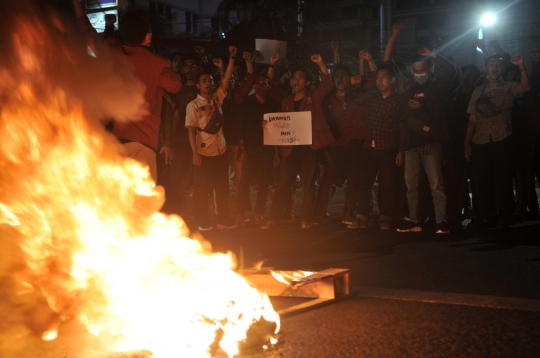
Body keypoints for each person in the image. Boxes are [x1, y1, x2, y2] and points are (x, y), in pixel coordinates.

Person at [73, 0, 182, 182]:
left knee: (115, 196)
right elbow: (176, 85)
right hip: (143, 142)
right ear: (148, 37)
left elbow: (87, 31)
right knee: (142, 199)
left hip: (112, 140)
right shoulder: (155, 65)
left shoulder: (110, 52)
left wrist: (76, 3)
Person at [262, 54, 335, 229]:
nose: (296, 81)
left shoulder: (314, 97)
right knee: (283, 184)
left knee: (308, 184)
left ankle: (306, 219)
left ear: (307, 82)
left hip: (309, 148)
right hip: (291, 149)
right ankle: (273, 218)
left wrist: (320, 63)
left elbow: (328, 85)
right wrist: (271, 65)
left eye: (300, 78)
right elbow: (270, 88)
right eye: (294, 78)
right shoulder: (286, 100)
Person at [464, 54, 531, 229]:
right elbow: (472, 120)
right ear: (485, 69)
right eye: (491, 65)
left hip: (503, 139)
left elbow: (525, 87)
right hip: (480, 141)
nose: (494, 67)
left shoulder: (509, 87)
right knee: (483, 181)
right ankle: (487, 216)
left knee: (504, 180)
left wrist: (521, 66)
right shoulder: (478, 91)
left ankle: (505, 216)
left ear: (502, 69)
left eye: (498, 65)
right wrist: (467, 143)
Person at [397, 47, 457, 234]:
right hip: (411, 145)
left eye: (422, 70)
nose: (418, 74)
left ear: (430, 70)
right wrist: (408, 107)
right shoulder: (409, 91)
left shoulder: (437, 86)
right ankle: (414, 220)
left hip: (431, 142)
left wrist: (434, 56)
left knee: (436, 184)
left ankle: (442, 221)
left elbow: (451, 71)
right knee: (411, 186)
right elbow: (399, 117)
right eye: (416, 71)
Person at [345, 64, 404, 230]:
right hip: (369, 147)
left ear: (392, 80)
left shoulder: (399, 100)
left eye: (384, 77)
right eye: (378, 78)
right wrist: (354, 85)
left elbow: (402, 128)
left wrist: (401, 150)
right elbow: (351, 100)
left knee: (387, 184)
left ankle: (385, 217)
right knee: (364, 183)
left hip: (388, 147)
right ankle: (361, 217)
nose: (380, 81)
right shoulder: (372, 96)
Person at [186, 46, 238, 231]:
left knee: (222, 187)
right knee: (201, 190)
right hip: (202, 152)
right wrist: (195, 154)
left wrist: (232, 57)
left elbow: (225, 80)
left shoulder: (217, 99)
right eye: (204, 81)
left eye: (210, 80)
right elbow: (191, 131)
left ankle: (223, 219)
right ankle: (202, 221)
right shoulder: (192, 106)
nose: (208, 83)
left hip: (220, 150)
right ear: (198, 85)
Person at [159, 54, 201, 217]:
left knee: (196, 181)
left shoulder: (201, 88)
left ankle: (195, 216)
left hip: (200, 141)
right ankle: (172, 214)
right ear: (182, 68)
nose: (190, 70)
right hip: (180, 140)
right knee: (176, 178)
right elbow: (170, 117)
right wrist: (168, 141)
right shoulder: (176, 89)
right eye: (186, 66)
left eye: (193, 66)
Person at [235, 74, 281, 225]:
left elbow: (276, 131)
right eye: (258, 84)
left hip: (267, 151)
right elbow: (240, 128)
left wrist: (275, 154)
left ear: (268, 86)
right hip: (250, 149)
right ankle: (240, 213)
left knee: (264, 184)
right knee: (244, 183)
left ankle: (259, 213)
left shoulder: (273, 104)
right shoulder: (246, 103)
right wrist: (242, 149)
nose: (261, 86)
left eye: (265, 83)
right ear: (254, 86)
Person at [215, 52, 255, 194]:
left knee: (239, 177)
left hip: (235, 141)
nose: (229, 82)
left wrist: (248, 61)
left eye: (231, 79)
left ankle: (239, 210)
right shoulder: (216, 98)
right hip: (219, 142)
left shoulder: (238, 95)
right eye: (227, 79)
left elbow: (250, 81)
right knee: (220, 178)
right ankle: (222, 211)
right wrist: (221, 69)